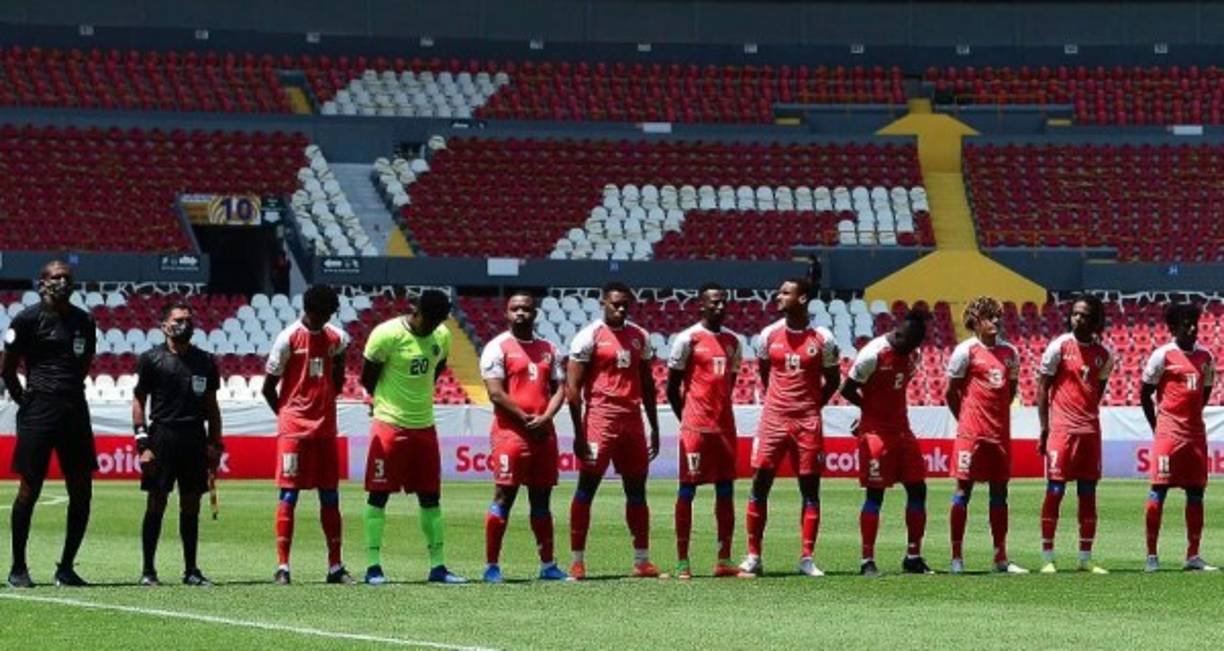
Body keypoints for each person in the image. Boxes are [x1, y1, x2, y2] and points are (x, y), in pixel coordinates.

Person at [360, 289, 466, 585]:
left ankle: (438, 566)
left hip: (425, 426)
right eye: (429, 320)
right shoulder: (386, 335)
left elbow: (436, 368)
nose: (433, 326)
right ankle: (373, 567)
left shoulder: (442, 336)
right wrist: (385, 404)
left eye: (438, 321)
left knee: (430, 497)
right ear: (415, 312)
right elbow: (367, 378)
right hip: (389, 426)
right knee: (379, 495)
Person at [2, 260, 97, 588]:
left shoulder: (85, 321)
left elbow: (83, 364)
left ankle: (66, 568)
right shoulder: (27, 319)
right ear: (42, 282)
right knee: (30, 488)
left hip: (75, 409)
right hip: (39, 409)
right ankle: (18, 568)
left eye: (67, 277)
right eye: (56, 277)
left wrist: (66, 392)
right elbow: (7, 369)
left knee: (82, 490)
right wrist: (27, 402)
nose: (62, 282)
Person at [738, 278, 839, 578]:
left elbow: (833, 380)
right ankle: (754, 556)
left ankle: (807, 557)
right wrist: (780, 403)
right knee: (760, 484)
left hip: (807, 422)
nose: (778, 296)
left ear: (803, 298)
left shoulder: (823, 338)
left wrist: (811, 406)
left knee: (809, 489)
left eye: (785, 293)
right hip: (773, 419)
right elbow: (765, 374)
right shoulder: (768, 335)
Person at [567, 282, 661, 580]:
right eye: (615, 304)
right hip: (600, 420)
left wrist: (654, 427)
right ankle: (577, 561)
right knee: (587, 488)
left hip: (632, 421)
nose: (620, 309)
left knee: (637, 491)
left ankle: (642, 561)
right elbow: (573, 389)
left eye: (624, 305)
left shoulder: (640, 336)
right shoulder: (588, 337)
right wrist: (579, 434)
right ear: (603, 303)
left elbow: (647, 384)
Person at [262, 285, 354, 585]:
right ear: (310, 311)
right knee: (289, 494)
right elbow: (268, 387)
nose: (326, 319)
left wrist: (329, 393)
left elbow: (338, 374)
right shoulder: (287, 339)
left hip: (325, 429)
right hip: (294, 431)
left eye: (330, 314)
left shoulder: (337, 338)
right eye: (322, 314)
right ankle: (283, 567)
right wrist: (287, 417)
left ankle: (335, 566)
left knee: (330, 495)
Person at [478, 291, 568, 583]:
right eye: (515, 309)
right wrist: (526, 418)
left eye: (526, 309)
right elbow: (495, 393)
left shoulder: (549, 348)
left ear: (535, 313)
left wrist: (546, 417)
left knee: (542, 500)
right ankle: (492, 566)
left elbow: (560, 389)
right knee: (504, 496)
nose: (520, 313)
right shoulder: (497, 347)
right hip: (511, 434)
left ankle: (548, 565)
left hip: (543, 434)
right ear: (506, 313)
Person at [132, 300, 223, 586]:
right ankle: (148, 571)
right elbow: (139, 400)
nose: (185, 325)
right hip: (162, 436)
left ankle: (191, 570)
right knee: (156, 502)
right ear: (165, 326)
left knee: (191, 504)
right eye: (179, 320)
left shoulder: (205, 361)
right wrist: (142, 443)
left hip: (194, 437)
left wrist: (215, 443)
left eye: (188, 320)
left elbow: (212, 406)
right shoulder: (151, 359)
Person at [840, 309, 933, 577]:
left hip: (902, 430)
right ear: (902, 335)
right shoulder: (872, 354)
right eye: (913, 343)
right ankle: (867, 561)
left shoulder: (913, 353)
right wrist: (868, 412)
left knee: (918, 489)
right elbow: (847, 389)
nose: (915, 349)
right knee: (875, 494)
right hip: (876, 433)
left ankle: (913, 557)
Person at [666, 283, 742, 580]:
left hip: (724, 428)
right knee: (687, 490)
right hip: (695, 428)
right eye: (714, 302)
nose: (719, 307)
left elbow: (729, 383)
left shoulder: (734, 342)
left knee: (726, 491)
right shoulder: (688, 339)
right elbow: (672, 387)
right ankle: (682, 561)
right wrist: (686, 418)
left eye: (723, 301)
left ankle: (724, 559)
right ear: (701, 305)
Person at [945, 296, 1026, 574]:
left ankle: (1000, 558)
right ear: (975, 322)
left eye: (997, 316)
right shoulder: (965, 351)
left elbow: (1011, 391)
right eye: (988, 317)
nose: (995, 321)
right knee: (963, 491)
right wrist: (966, 421)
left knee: (1000, 492)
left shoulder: (1010, 353)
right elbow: (951, 392)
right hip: (972, 434)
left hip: (999, 434)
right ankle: (956, 557)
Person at [1036, 295, 1113, 574]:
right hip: (1062, 432)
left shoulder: (1104, 355)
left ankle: (1085, 558)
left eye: (1084, 315)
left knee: (1088, 494)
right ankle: (1048, 556)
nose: (1078, 318)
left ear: (1095, 320)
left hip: (1089, 432)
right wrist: (1044, 427)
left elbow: (1096, 391)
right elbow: (1043, 388)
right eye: (1075, 314)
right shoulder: (1059, 347)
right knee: (1055, 490)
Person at [1141, 302, 1217, 572]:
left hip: (1195, 435)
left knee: (1196, 493)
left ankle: (1193, 555)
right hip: (1168, 435)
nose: (1192, 329)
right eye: (1186, 324)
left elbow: (1205, 391)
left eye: (1195, 323)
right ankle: (1152, 556)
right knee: (1158, 491)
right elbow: (1145, 394)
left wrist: (1192, 416)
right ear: (1174, 327)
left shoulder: (1206, 357)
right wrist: (1158, 426)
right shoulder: (1162, 356)